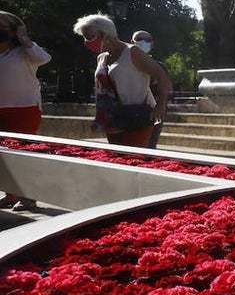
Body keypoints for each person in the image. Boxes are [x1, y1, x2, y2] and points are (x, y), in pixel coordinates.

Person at [73, 14, 170, 148]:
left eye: (89, 36)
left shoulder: (133, 52)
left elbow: (161, 75)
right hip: (112, 121)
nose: (86, 41)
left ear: (103, 33)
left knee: (134, 162)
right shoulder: (101, 58)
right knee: (117, 161)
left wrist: (161, 105)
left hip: (137, 118)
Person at [0, 11, 51, 210]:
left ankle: (28, 197)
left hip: (24, 109)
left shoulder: (25, 52)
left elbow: (44, 58)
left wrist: (25, 39)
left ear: (13, 30)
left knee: (21, 155)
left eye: (3, 27)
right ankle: (10, 195)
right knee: (3, 155)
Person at [132, 30, 168, 149]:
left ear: (152, 44)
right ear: (132, 42)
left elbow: (165, 90)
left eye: (147, 40)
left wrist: (160, 107)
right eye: (139, 39)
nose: (143, 42)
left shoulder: (159, 67)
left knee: (149, 148)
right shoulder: (123, 65)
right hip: (128, 111)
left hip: (151, 113)